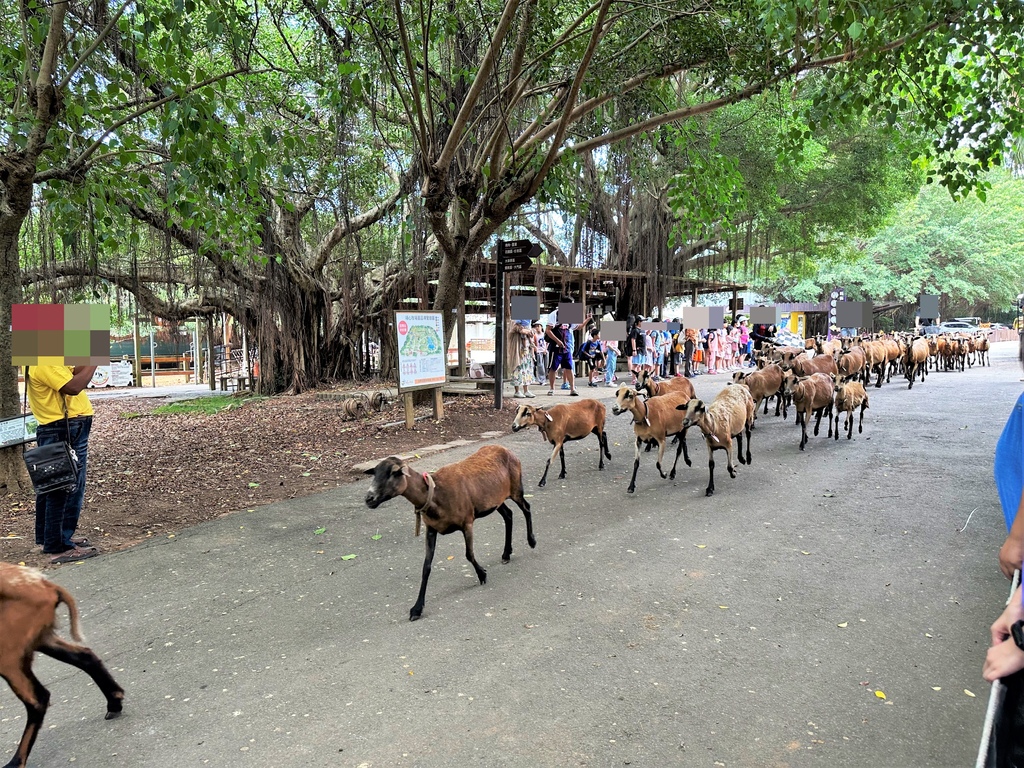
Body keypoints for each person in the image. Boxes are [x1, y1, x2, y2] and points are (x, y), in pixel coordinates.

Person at [27, 364, 99, 564]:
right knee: (65, 487)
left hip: (65, 426)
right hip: (63, 427)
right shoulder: (43, 358)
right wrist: (94, 360)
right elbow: (73, 386)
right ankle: (58, 546)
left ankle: (50, 538)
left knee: (52, 486)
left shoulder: (46, 355)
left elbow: (75, 372)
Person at [545, 302, 584, 396]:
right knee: (553, 368)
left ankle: (572, 389)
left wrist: (587, 319)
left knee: (569, 368)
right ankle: (552, 388)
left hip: (566, 347)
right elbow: (548, 330)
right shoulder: (554, 314)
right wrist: (557, 341)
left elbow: (578, 327)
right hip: (555, 347)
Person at [507, 320, 536, 398]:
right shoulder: (516, 320)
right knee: (518, 368)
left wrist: (530, 331)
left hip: (527, 346)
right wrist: (522, 330)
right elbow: (513, 326)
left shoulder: (528, 320)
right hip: (518, 347)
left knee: (527, 368)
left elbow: (530, 330)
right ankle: (517, 391)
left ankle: (526, 390)